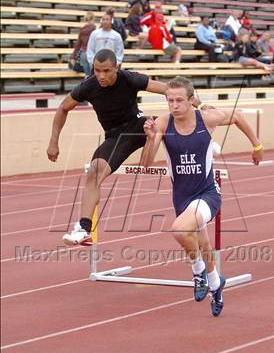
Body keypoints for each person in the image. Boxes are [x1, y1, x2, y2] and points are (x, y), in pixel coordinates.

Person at [47, 50, 200, 246]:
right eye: (97, 70)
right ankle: (84, 229)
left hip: (138, 125)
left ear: (116, 68)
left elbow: (170, 91)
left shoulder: (129, 78)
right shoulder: (89, 86)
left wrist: (201, 106)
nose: (101, 76)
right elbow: (63, 108)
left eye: (106, 71)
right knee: (94, 172)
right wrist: (53, 141)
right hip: (116, 137)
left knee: (165, 121)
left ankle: (201, 145)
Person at [140, 76, 264, 316]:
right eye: (169, 101)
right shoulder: (163, 123)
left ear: (190, 100)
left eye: (179, 100)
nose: (174, 105)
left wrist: (256, 146)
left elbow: (237, 115)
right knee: (204, 245)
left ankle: (198, 270)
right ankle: (217, 285)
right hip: (182, 197)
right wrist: (150, 137)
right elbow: (145, 166)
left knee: (178, 230)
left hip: (207, 193)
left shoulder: (205, 119)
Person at [70, 11, 96, 76]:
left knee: (87, 75)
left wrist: (73, 57)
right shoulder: (95, 30)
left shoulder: (82, 30)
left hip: (83, 54)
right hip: (93, 55)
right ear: (93, 19)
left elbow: (77, 45)